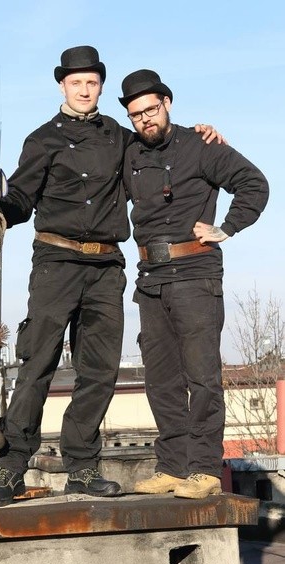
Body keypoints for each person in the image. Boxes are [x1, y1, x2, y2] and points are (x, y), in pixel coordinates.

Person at [0, 47, 221, 507]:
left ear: (100, 86)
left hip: (106, 267)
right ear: (62, 85)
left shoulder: (120, 137)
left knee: (99, 370)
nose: (84, 89)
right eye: (76, 82)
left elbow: (160, 142)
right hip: (55, 263)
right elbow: (20, 201)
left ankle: (81, 467)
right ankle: (11, 467)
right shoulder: (42, 140)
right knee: (38, 362)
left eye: (92, 82)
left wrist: (203, 136)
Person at [118, 69, 269, 499]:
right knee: (160, 379)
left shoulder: (201, 146)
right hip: (150, 280)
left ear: (166, 103)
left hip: (196, 274)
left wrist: (227, 227)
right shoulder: (129, 153)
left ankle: (203, 469)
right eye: (136, 115)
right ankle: (172, 467)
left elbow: (254, 184)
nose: (145, 119)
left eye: (151, 109)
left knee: (202, 377)